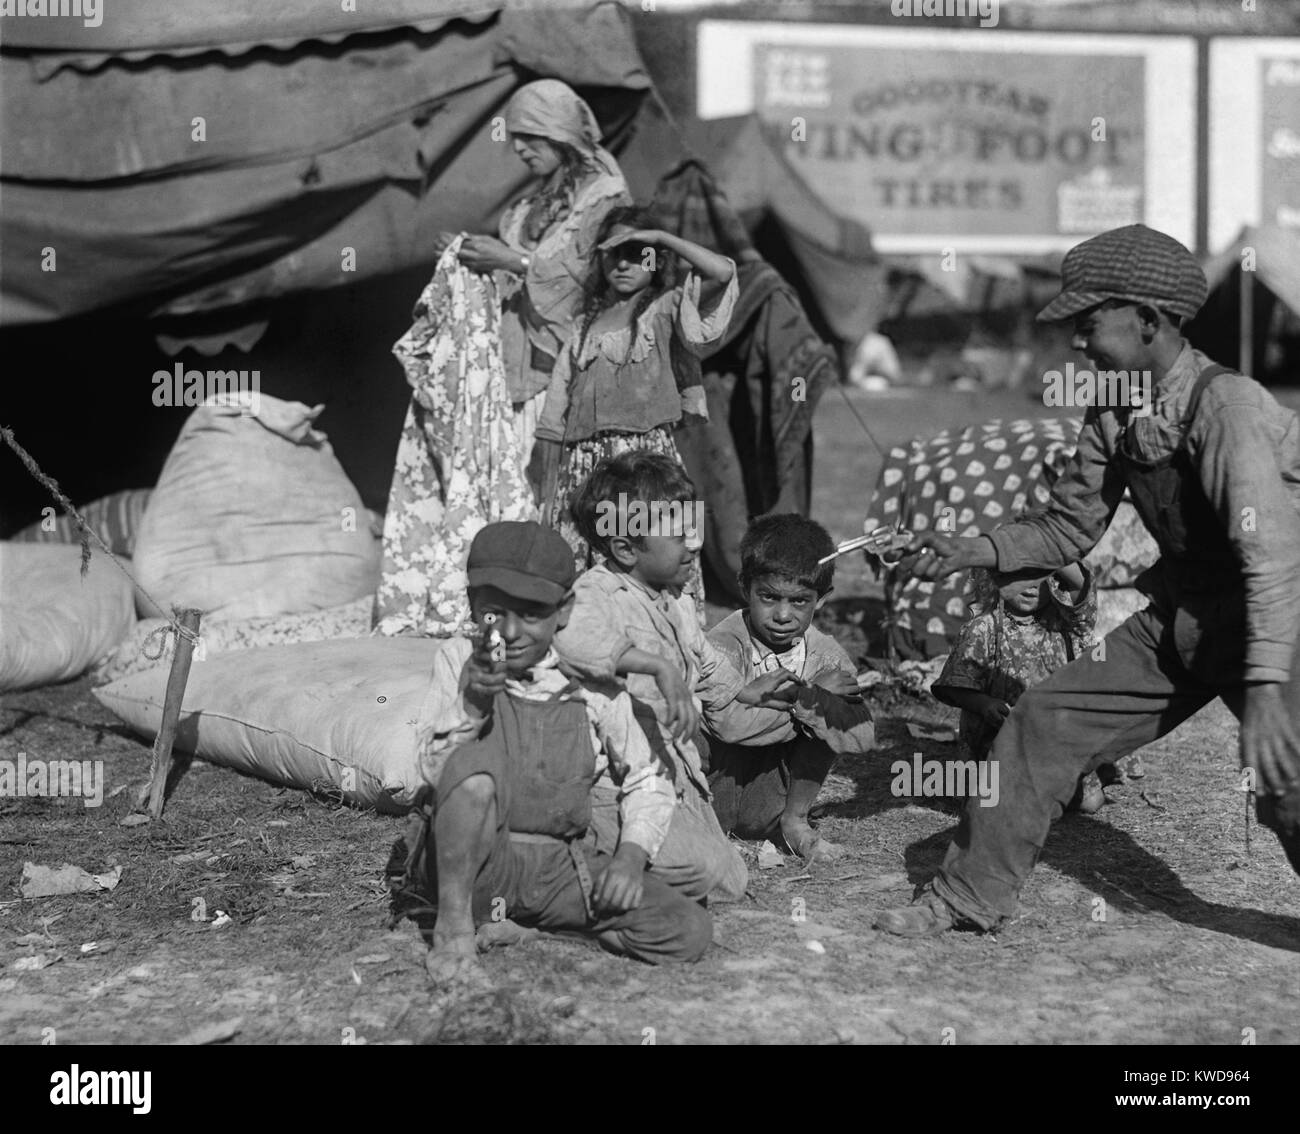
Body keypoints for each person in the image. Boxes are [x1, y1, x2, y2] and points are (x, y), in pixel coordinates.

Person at [875, 223, 1300, 937]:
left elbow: (1273, 563)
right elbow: (1067, 530)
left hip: (1277, 620)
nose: (1075, 341)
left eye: (1087, 321)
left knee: (1287, 784)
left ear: (1147, 322)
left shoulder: (1225, 406)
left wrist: (1265, 691)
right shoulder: (1112, 410)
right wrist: (963, 549)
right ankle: (969, 896)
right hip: (1185, 616)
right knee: (1042, 721)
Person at [390, 520, 712, 985]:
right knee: (472, 772)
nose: (512, 632)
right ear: (470, 605)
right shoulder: (459, 661)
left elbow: (647, 776)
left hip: (560, 870)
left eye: (533, 614)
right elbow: (432, 773)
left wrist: (629, 858)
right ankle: (454, 933)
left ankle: (533, 930)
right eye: (493, 613)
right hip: (476, 868)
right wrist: (473, 705)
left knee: (687, 931)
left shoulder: (590, 682)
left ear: (564, 611)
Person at [376, 79, 631, 636]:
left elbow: (592, 275)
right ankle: (516, 603)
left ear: (559, 134)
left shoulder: (605, 195)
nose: (519, 150)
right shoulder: (528, 202)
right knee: (518, 481)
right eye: (514, 139)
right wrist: (479, 257)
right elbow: (526, 264)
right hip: (516, 357)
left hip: (568, 362)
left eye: (530, 138)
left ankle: (566, 609)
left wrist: (511, 259)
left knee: (559, 487)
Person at [555, 451, 802, 902]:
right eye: (676, 533)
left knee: (729, 880)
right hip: (611, 777)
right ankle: (568, 868)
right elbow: (571, 639)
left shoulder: (676, 598)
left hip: (669, 771)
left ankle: (625, 864)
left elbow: (702, 658)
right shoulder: (597, 593)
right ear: (625, 549)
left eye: (693, 527)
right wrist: (654, 665)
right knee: (704, 871)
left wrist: (744, 690)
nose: (693, 542)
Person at [533, 207, 737, 582]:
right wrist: (549, 481)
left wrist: (661, 238)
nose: (625, 264)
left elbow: (722, 272)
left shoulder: (667, 308)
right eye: (616, 253)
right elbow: (556, 405)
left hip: (644, 462)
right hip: (585, 463)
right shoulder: (583, 324)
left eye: (637, 253)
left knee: (649, 550)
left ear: (655, 261)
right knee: (590, 552)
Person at [704, 515, 877, 861]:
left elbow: (862, 738)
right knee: (691, 716)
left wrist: (812, 703)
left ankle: (795, 822)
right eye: (768, 597)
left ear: (822, 599)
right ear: (744, 587)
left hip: (771, 802)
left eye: (799, 601)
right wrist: (806, 696)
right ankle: (697, 826)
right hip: (711, 794)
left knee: (830, 715)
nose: (783, 615)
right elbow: (729, 726)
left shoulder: (825, 654)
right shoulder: (724, 643)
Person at [931, 561, 1108, 813]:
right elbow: (953, 686)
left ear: (1056, 582)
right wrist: (985, 704)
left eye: (1041, 575)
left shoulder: (1067, 625)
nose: (1032, 584)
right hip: (997, 743)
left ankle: (1050, 790)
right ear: (997, 579)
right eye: (1021, 574)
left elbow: (1082, 583)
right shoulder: (984, 628)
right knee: (996, 802)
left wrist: (1047, 543)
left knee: (1092, 802)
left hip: (1053, 740)